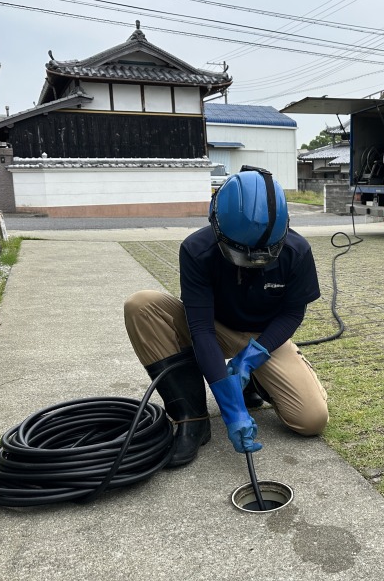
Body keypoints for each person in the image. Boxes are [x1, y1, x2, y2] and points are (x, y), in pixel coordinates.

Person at [123, 166, 328, 466]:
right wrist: (231, 411)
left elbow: (292, 312)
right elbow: (201, 329)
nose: (252, 263)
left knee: (311, 420)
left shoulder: (296, 251)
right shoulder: (196, 250)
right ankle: (190, 417)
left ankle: (255, 383)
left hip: (264, 337)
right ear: (217, 226)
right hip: (214, 329)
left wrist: (253, 357)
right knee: (142, 305)